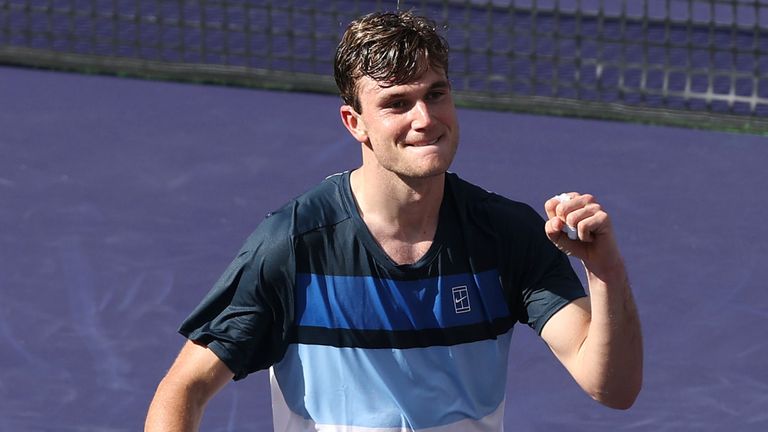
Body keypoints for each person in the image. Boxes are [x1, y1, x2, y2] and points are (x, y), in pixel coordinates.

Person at [145, 10, 642, 432]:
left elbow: (613, 387)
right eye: (397, 103)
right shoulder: (294, 244)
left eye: (436, 94)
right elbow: (184, 389)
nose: (425, 118)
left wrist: (605, 271)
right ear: (354, 122)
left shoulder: (506, 235)